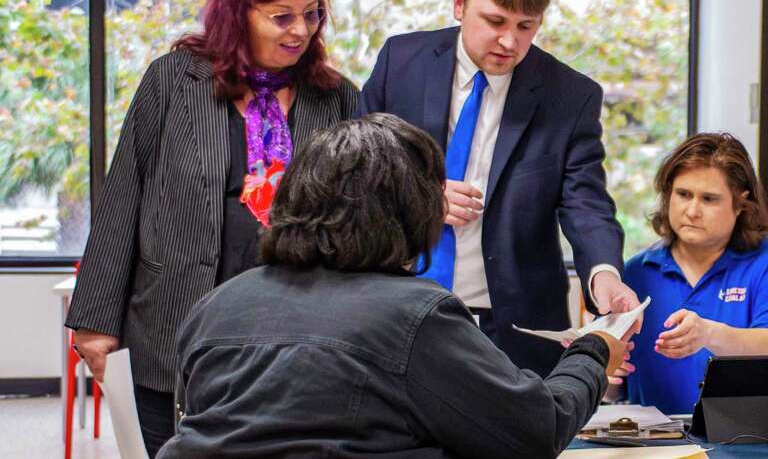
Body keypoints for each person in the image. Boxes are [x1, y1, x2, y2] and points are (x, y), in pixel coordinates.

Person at [156, 113, 629, 458]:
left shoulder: (217, 304)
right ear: (411, 213)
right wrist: (593, 351)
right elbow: (534, 431)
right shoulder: (413, 315)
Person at [63, 0, 357, 456]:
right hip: (173, 321)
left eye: (311, 14)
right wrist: (94, 321)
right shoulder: (174, 81)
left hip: (293, 335)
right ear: (237, 14)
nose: (301, 31)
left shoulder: (337, 98)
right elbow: (122, 198)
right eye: (281, 17)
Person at [359, 0, 640, 378]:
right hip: (394, 310)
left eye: (526, 26)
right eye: (494, 21)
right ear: (459, 3)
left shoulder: (569, 96)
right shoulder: (401, 61)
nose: (509, 41)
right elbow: (357, 171)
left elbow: (586, 202)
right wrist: (420, 197)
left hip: (511, 327)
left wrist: (604, 275)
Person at [621, 133, 768, 414]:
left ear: (740, 204)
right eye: (683, 194)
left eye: (709, 199)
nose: (692, 211)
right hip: (657, 444)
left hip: (750, 441)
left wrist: (709, 334)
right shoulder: (636, 272)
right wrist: (607, 373)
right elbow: (618, 385)